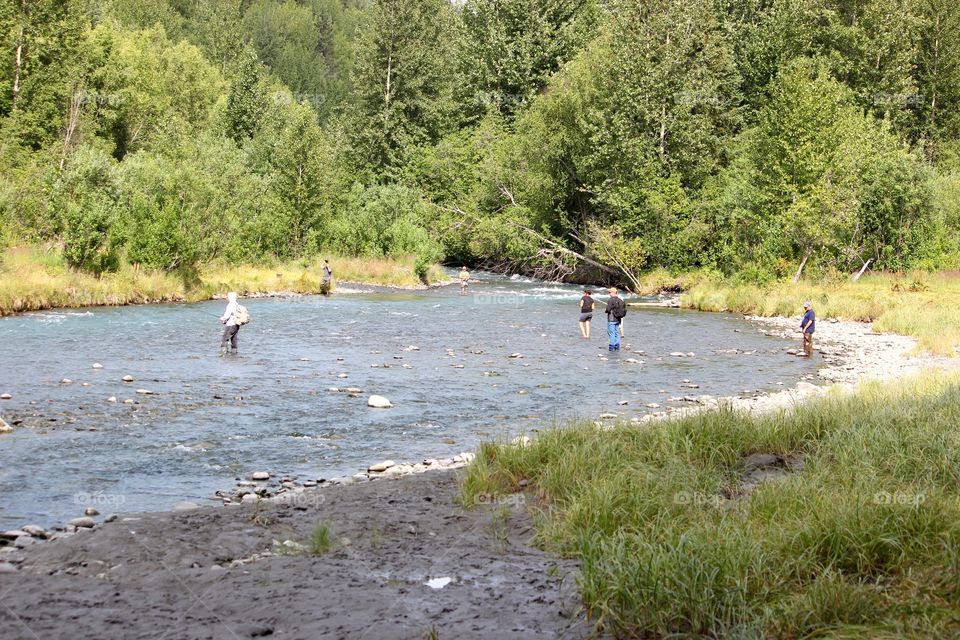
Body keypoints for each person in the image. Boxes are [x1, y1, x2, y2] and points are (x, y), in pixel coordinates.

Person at [219, 291, 240, 356]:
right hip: (237, 325)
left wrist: (222, 318)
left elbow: (227, 316)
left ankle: (223, 354)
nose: (227, 298)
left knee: (224, 338)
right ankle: (234, 354)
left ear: (230, 297)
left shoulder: (230, 305)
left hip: (230, 325)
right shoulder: (237, 304)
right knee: (234, 339)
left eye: (228, 296)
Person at [605, 287, 625, 351]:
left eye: (609, 292)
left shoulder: (611, 300)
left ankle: (611, 347)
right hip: (618, 319)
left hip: (612, 319)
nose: (609, 293)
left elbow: (608, 309)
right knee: (616, 333)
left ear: (613, 292)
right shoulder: (620, 300)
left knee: (611, 333)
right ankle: (617, 346)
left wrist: (606, 310)